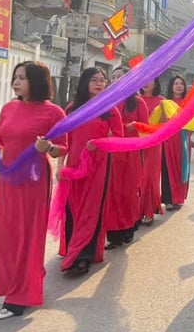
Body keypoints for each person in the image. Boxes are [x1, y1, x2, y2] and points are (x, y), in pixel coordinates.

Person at [0, 61, 67, 319]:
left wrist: (48, 148)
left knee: (26, 236)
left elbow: (63, 146)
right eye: (15, 77)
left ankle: (21, 294)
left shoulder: (53, 112)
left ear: (38, 81)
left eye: (23, 78)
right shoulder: (9, 107)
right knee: (2, 234)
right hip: (7, 181)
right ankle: (10, 283)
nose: (16, 82)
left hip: (33, 182)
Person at [58, 67, 123, 275]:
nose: (99, 83)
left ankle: (83, 257)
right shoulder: (72, 108)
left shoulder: (110, 109)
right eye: (94, 80)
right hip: (74, 164)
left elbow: (119, 139)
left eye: (102, 80)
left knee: (91, 210)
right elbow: (62, 140)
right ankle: (71, 250)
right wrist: (60, 168)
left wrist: (101, 143)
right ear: (85, 82)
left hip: (99, 165)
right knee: (72, 209)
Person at [104, 66, 148, 248]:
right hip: (112, 154)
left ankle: (128, 227)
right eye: (113, 77)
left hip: (131, 153)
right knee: (111, 193)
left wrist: (135, 125)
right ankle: (113, 233)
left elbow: (146, 128)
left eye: (119, 77)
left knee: (129, 191)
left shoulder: (137, 102)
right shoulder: (106, 102)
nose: (115, 80)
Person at [162, 75, 191, 210]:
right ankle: (168, 199)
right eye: (176, 84)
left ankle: (179, 197)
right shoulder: (166, 103)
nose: (179, 86)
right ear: (171, 87)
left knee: (182, 168)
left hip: (184, 138)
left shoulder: (189, 102)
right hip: (169, 139)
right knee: (168, 167)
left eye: (181, 84)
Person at [139, 78, 165, 225]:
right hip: (136, 143)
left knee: (150, 177)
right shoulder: (135, 100)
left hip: (153, 144)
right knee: (137, 178)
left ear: (156, 82)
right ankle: (137, 211)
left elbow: (166, 123)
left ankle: (148, 211)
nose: (146, 81)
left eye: (150, 79)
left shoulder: (161, 101)